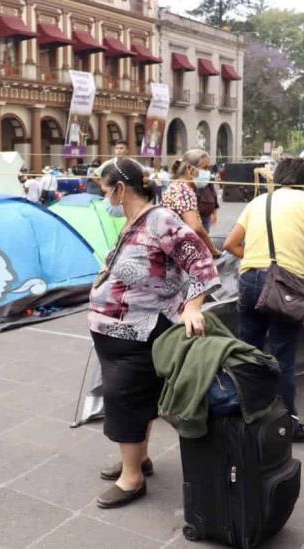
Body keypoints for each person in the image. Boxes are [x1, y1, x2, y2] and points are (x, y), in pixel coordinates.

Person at [89, 158, 219, 508]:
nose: (102, 195)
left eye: (104, 188)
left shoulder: (161, 219)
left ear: (120, 188)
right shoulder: (135, 220)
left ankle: (131, 479)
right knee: (137, 398)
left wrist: (193, 307)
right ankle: (138, 459)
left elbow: (202, 262)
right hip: (117, 332)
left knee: (124, 399)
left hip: (140, 330)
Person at [224, 157, 304, 443]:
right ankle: (288, 425)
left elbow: (230, 244)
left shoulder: (258, 202)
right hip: (286, 282)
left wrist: (254, 261)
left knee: (249, 352)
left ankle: (245, 415)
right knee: (283, 357)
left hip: (249, 280)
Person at [163, 149, 221, 258]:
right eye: (205, 168)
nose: (207, 173)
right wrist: (213, 250)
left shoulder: (176, 186)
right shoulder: (184, 190)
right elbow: (195, 227)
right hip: (175, 253)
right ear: (189, 169)